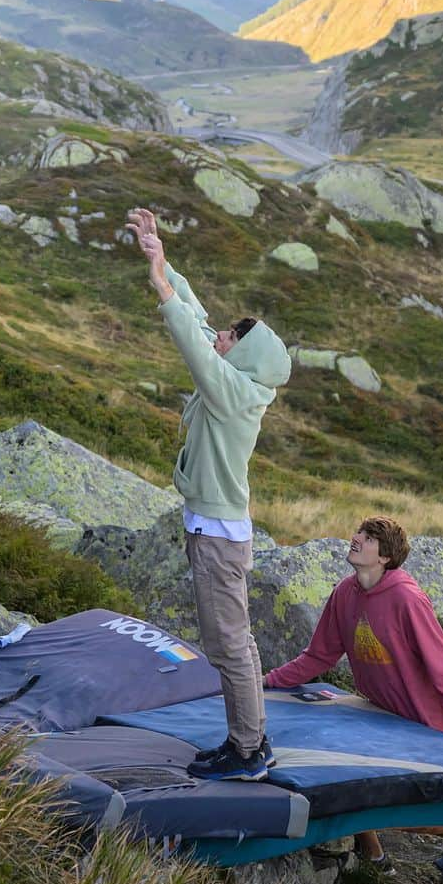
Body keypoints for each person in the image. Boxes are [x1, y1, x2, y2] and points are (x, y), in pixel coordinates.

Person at [127, 207, 291, 782]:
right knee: (230, 644)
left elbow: (193, 341)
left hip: (220, 539)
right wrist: (160, 260)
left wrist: (160, 287)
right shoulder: (236, 380)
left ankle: (248, 752)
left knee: (229, 648)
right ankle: (245, 741)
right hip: (214, 530)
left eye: (228, 336)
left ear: (241, 354)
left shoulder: (235, 393)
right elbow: (198, 322)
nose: (218, 335)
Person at [264, 516, 443, 884]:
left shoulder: (406, 598)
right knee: (360, 778)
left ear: (384, 556)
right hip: (378, 714)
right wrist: (267, 682)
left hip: (426, 721)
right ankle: (375, 855)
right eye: (358, 532)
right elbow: (317, 658)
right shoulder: (344, 594)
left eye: (368, 538)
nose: (356, 538)